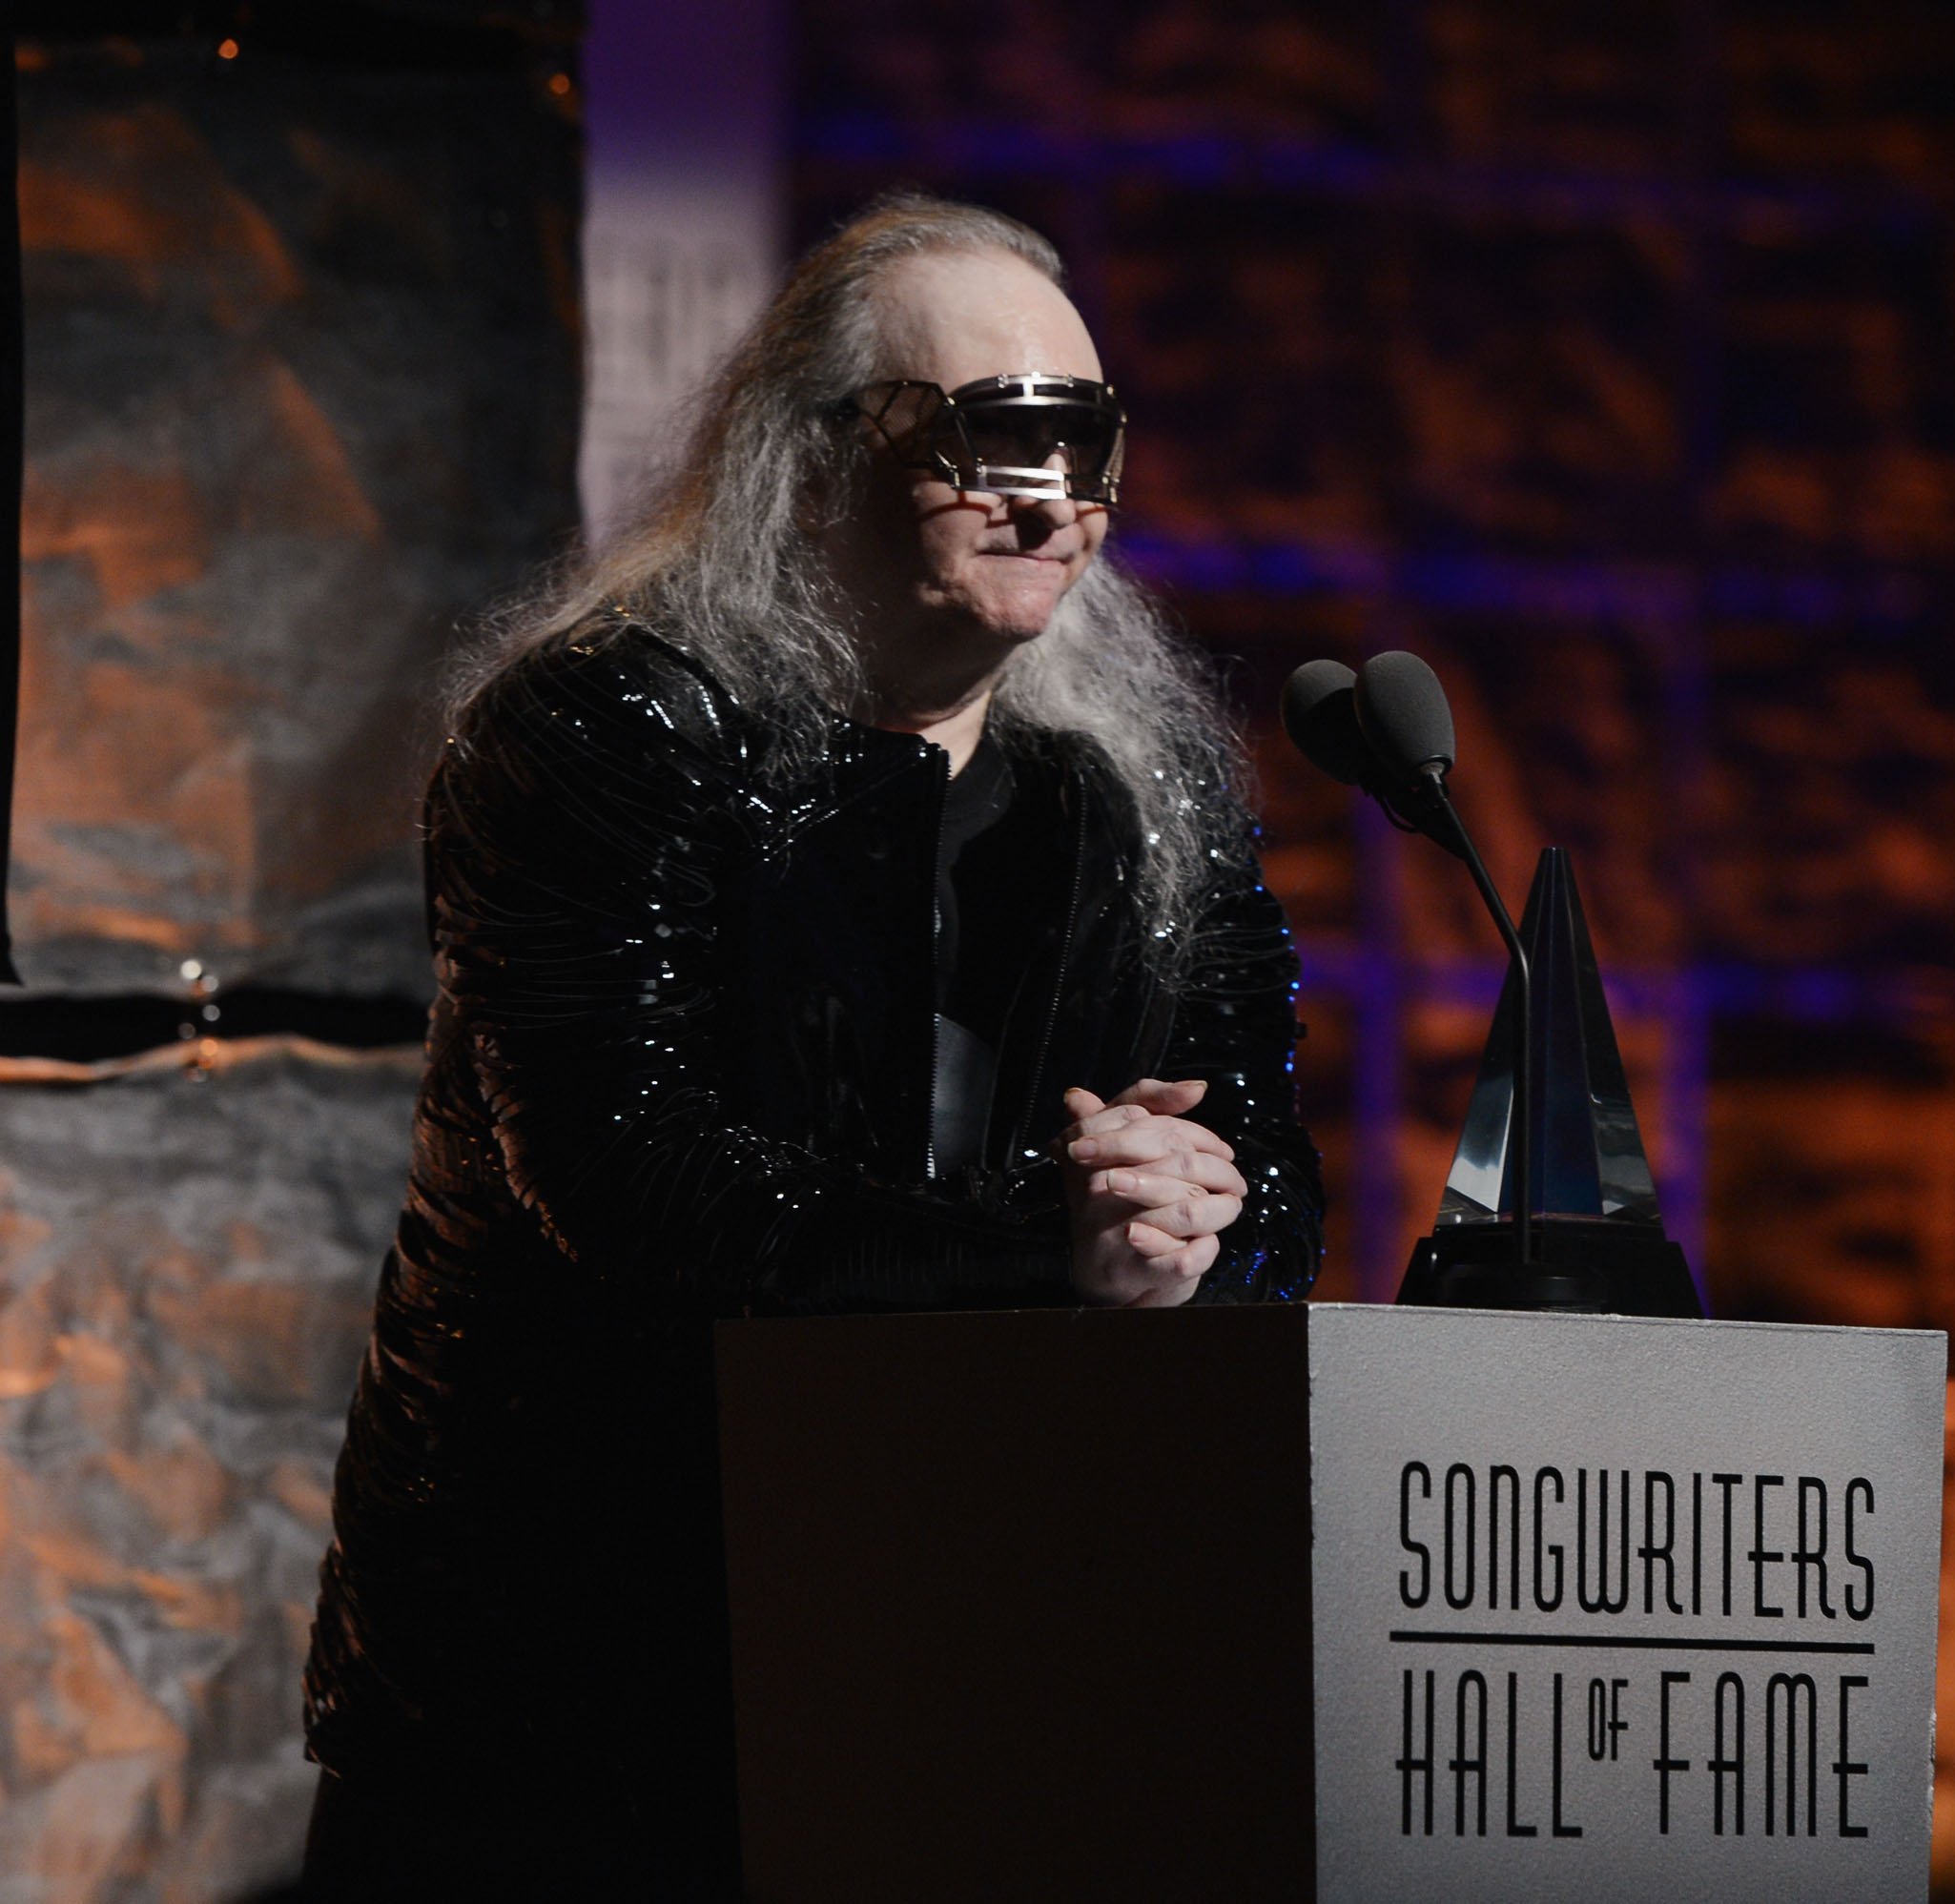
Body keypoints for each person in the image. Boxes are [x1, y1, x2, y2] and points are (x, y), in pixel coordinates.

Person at [297, 194, 1324, 1896]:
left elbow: (1271, 1171)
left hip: (962, 1676)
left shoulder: (1145, 786)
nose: (1053, 496)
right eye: (999, 433)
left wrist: (1189, 1222)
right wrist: (1055, 1251)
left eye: (1090, 442)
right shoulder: (606, 726)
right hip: (573, 1689)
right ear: (816, 452)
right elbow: (634, 1182)